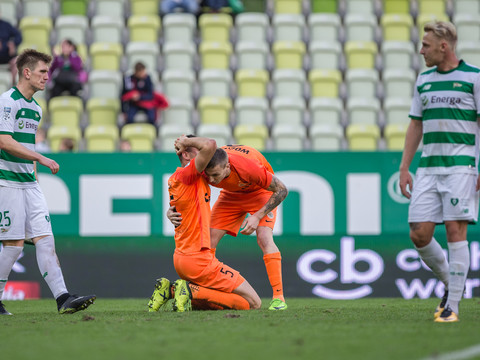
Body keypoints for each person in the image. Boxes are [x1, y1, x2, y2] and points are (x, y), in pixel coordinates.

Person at [0, 49, 96, 315]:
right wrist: (41, 158)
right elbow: (4, 142)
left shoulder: (35, 108)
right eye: (42, 71)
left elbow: (25, 146)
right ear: (27, 72)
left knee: (45, 239)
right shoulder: (8, 102)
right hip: (6, 182)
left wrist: (35, 175)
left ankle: (62, 298)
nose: (47, 77)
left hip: (29, 185)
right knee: (13, 245)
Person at [399, 21, 480, 323]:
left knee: (454, 231)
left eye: (426, 45)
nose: (421, 51)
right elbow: (415, 124)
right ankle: (451, 284)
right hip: (429, 169)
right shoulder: (424, 79)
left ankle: (453, 307)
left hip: (461, 167)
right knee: (419, 234)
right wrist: (405, 166)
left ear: (443, 47)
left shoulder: (474, 78)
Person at [168, 144, 289, 311]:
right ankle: (197, 294)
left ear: (228, 167)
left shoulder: (249, 168)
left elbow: (282, 190)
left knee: (264, 238)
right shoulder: (209, 166)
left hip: (260, 193)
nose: (211, 180)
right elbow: (184, 190)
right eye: (208, 176)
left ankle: (278, 298)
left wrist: (257, 216)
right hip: (230, 196)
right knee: (207, 242)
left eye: (216, 175)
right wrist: (172, 210)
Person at [148, 135, 261, 312]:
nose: (205, 157)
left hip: (182, 257)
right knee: (253, 303)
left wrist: (169, 212)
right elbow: (210, 145)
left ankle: (170, 290)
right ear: (186, 155)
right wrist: (186, 142)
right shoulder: (188, 174)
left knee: (217, 299)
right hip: (198, 260)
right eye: (198, 152)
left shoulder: (177, 179)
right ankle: (189, 290)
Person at [0, 15, 22, 84]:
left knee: (17, 61)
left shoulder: (6, 25)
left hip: (7, 54)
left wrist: (13, 43)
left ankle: (12, 86)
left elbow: (18, 36)